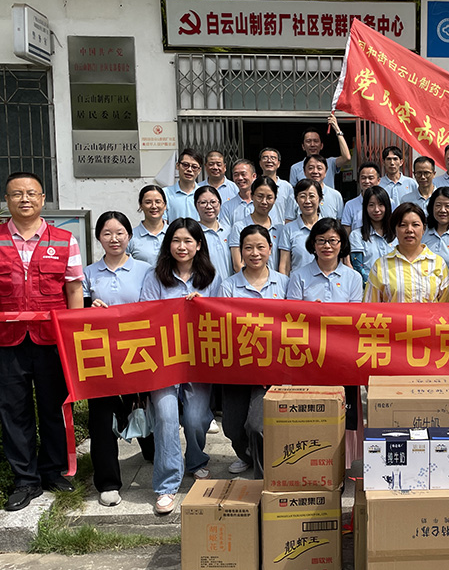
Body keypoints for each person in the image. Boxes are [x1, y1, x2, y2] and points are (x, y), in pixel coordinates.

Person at [0, 172, 84, 511]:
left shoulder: (65, 239)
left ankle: (54, 470)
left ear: (43, 199)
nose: (24, 199)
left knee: (55, 407)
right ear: (6, 201)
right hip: (9, 340)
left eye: (31, 193)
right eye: (16, 194)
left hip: (51, 339)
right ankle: (25, 479)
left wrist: (75, 333)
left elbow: (73, 290)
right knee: (15, 410)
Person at [139, 218, 218, 515]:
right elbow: (145, 315)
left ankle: (196, 459)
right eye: (176, 240)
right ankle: (167, 484)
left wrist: (202, 307)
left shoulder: (211, 278)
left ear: (199, 245)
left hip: (198, 362)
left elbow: (221, 318)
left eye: (188, 241)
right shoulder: (154, 277)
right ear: (168, 244)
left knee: (197, 419)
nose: (181, 246)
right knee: (167, 417)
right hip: (162, 362)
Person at [83, 211, 154, 506]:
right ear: (99, 237)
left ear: (129, 236)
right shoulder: (87, 273)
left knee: (143, 408)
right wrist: (90, 306)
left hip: (139, 352)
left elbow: (156, 307)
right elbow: (76, 311)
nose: (114, 239)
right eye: (108, 233)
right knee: (101, 417)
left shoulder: (145, 270)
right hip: (100, 357)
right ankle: (108, 481)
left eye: (120, 233)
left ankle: (151, 451)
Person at [286, 218, 365, 463]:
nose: (327, 246)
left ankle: (344, 458)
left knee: (345, 406)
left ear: (342, 244)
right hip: (309, 354)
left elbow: (355, 318)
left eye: (332, 240)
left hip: (342, 354)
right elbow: (292, 316)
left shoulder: (352, 277)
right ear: (313, 244)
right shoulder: (299, 276)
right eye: (321, 240)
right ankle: (310, 455)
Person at [219, 224, 290, 480]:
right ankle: (247, 456)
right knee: (232, 428)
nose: (255, 253)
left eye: (261, 247)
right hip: (239, 367)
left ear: (270, 249)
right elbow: (222, 326)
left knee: (257, 425)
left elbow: (294, 323)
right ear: (240, 252)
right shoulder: (229, 286)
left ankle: (264, 477)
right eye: (248, 247)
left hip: (272, 367)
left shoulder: (284, 284)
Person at [365, 203, 449, 304]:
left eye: (415, 225)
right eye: (403, 225)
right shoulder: (380, 266)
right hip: (394, 320)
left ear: (423, 229)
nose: (409, 230)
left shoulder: (438, 263)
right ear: (394, 230)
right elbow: (370, 307)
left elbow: (445, 307)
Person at [229, 176, 282, 273]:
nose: (264, 202)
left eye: (269, 197)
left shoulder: (280, 229)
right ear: (252, 196)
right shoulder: (239, 227)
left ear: (275, 199)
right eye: (260, 196)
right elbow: (237, 265)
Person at [349, 185, 395, 285]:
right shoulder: (356, 236)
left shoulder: (397, 234)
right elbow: (358, 269)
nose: (376, 209)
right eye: (371, 205)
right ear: (365, 207)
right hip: (369, 291)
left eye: (381, 204)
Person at [288, 114, 352, 184]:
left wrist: (337, 129)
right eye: (308, 141)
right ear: (303, 146)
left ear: (321, 146)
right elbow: (293, 192)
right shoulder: (295, 168)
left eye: (316, 141)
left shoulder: (330, 163)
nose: (312, 145)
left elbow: (346, 158)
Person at [278, 179, 323, 276]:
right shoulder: (288, 229)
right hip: (298, 286)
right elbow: (284, 266)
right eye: (302, 196)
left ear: (320, 198)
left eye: (312, 196)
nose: (307, 201)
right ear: (296, 199)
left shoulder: (329, 227)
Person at [193, 185, 232, 280]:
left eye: (213, 202)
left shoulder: (229, 230)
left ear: (220, 203)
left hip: (230, 289)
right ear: (196, 205)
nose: (209, 206)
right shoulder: (193, 233)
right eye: (203, 203)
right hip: (205, 289)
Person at [127, 185, 168, 265]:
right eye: (148, 202)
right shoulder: (131, 236)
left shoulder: (174, 233)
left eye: (158, 202)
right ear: (141, 205)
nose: (154, 206)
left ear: (165, 205)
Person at [164, 149, 205, 223]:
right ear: (177, 166)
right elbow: (162, 223)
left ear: (199, 171)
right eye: (185, 165)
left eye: (194, 167)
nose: (189, 169)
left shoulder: (204, 194)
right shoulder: (165, 193)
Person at [341, 161, 383, 232]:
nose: (366, 181)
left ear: (378, 180)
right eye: (363, 178)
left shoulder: (389, 202)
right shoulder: (350, 205)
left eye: (370, 178)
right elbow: (346, 232)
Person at [257, 146, 295, 221]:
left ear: (278, 163)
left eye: (273, 158)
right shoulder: (254, 185)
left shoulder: (286, 186)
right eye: (265, 157)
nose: (269, 160)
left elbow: (290, 214)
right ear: (260, 163)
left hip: (280, 230)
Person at [304, 154, 345, 220]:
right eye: (311, 168)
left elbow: (340, 222)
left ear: (325, 172)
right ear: (304, 172)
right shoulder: (297, 196)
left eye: (319, 168)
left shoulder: (335, 195)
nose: (315, 171)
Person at [221, 159, 258, 225]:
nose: (240, 178)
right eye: (236, 175)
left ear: (254, 176)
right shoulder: (227, 207)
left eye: (243, 174)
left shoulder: (262, 204)